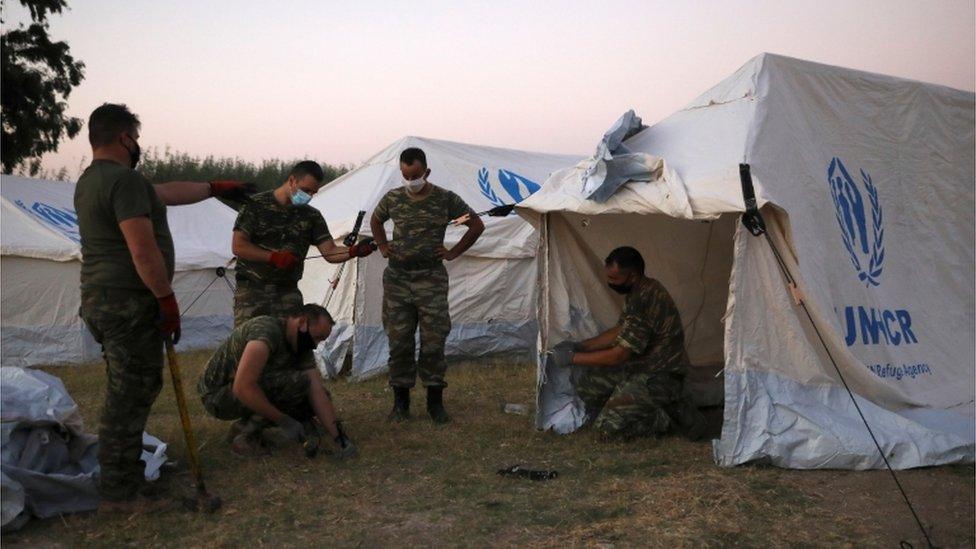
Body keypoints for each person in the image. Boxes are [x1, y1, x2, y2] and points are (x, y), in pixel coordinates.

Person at [75, 103, 254, 513]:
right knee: (129, 394)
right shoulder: (123, 180)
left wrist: (213, 187)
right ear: (124, 137)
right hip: (128, 301)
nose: (138, 145)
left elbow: (165, 193)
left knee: (130, 387)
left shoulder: (93, 180)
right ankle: (119, 495)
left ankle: (125, 479)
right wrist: (165, 298)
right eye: (135, 138)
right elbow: (143, 249)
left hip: (101, 298)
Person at [369, 147, 484, 423]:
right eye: (406, 176)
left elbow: (475, 224)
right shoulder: (393, 198)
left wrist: (453, 252)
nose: (411, 181)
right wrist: (383, 245)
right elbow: (375, 219)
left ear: (426, 172)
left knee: (434, 341)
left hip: (430, 279)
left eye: (415, 175)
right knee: (399, 342)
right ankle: (401, 404)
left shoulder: (445, 200)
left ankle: (435, 403)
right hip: (397, 280)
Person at [549, 246, 705, 441]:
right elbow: (619, 331)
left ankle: (667, 418)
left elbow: (618, 355)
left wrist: (573, 358)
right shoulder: (641, 290)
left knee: (605, 431)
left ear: (632, 276)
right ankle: (638, 406)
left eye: (614, 279)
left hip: (659, 376)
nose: (609, 282)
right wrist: (581, 346)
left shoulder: (644, 298)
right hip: (641, 368)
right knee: (588, 388)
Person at [197, 304, 357, 458]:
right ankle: (246, 436)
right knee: (294, 383)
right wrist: (284, 421)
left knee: (310, 392)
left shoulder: (301, 344)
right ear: (302, 323)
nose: (315, 346)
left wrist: (341, 439)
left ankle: (245, 426)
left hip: (240, 390)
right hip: (217, 396)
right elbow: (242, 387)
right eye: (317, 338)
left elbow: (317, 392)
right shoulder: (266, 332)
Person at [231, 160, 374, 326]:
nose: (309, 196)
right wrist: (273, 257)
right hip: (252, 291)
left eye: (313, 193)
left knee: (291, 346)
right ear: (292, 181)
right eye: (306, 190)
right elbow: (238, 246)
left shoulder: (311, 216)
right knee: (252, 343)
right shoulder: (255, 206)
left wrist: (353, 251)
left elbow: (330, 251)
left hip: (288, 292)